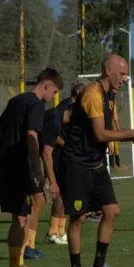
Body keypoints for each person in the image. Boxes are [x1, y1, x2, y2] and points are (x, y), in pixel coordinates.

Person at [59, 54, 134, 267]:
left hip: (97, 164)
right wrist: (132, 134)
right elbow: (100, 134)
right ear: (108, 70)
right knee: (77, 218)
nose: (125, 78)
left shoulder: (110, 96)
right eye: (121, 73)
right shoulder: (92, 94)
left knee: (112, 211)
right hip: (77, 165)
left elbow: (111, 133)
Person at [0, 68, 63, 267]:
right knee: (21, 217)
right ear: (47, 85)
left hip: (5, 163)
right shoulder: (36, 105)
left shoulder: (17, 101)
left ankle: (19, 265)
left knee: (23, 214)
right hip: (20, 166)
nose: (53, 97)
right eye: (55, 91)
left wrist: (8, 149)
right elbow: (32, 136)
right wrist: (35, 168)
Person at [42, 81, 87, 245]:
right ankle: (53, 232)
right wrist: (66, 145)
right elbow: (52, 134)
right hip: (57, 155)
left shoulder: (77, 108)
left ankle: (60, 231)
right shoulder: (63, 108)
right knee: (60, 193)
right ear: (78, 91)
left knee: (66, 194)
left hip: (66, 155)